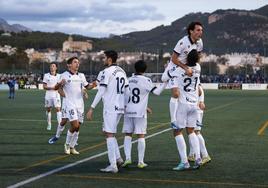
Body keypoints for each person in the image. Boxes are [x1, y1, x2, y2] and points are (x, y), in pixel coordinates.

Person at [87, 50, 129, 173]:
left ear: (109, 59)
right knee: (107, 132)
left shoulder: (107, 71)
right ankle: (119, 159)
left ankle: (113, 165)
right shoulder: (122, 71)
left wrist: (92, 108)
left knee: (109, 134)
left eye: (104, 58)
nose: (103, 60)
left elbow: (101, 91)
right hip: (120, 107)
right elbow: (127, 91)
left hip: (111, 107)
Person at [122, 60, 167, 168]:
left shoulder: (128, 80)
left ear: (135, 68)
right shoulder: (146, 80)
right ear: (145, 69)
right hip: (139, 113)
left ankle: (127, 159)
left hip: (128, 111)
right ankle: (140, 162)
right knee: (141, 136)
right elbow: (157, 92)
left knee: (128, 135)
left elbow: (125, 96)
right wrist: (165, 82)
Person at [162, 49, 202, 171]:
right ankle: (198, 158)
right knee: (191, 131)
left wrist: (173, 67)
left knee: (177, 131)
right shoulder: (198, 68)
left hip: (183, 104)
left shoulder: (178, 70)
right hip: (194, 104)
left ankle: (184, 162)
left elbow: (166, 81)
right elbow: (199, 90)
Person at [161, 21, 203, 129]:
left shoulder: (200, 43)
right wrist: (185, 68)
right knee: (176, 93)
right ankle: (173, 120)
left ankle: (197, 116)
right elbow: (174, 59)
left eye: (201, 30)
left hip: (188, 69)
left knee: (198, 91)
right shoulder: (182, 42)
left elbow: (197, 57)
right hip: (175, 68)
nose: (200, 32)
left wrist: (195, 69)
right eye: (198, 30)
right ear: (191, 31)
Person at [55, 57, 95, 155]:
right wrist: (60, 86)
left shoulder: (81, 76)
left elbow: (87, 87)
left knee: (78, 127)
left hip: (80, 104)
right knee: (75, 125)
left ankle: (72, 147)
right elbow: (57, 88)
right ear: (69, 65)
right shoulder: (64, 75)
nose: (77, 64)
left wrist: (95, 83)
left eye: (78, 62)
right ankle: (67, 144)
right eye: (75, 62)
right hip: (70, 104)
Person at [188, 84, 211, 165]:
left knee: (196, 132)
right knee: (191, 132)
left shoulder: (196, 85)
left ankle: (205, 155)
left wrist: (200, 102)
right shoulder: (196, 84)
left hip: (196, 111)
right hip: (195, 111)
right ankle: (191, 154)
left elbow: (198, 93)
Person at [43, 63, 61, 130]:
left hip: (56, 95)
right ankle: (49, 124)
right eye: (50, 66)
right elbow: (44, 86)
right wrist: (52, 88)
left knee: (58, 109)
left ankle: (60, 125)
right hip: (48, 95)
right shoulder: (46, 75)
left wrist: (58, 87)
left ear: (56, 68)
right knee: (48, 110)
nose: (51, 67)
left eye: (53, 66)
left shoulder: (59, 76)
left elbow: (60, 85)